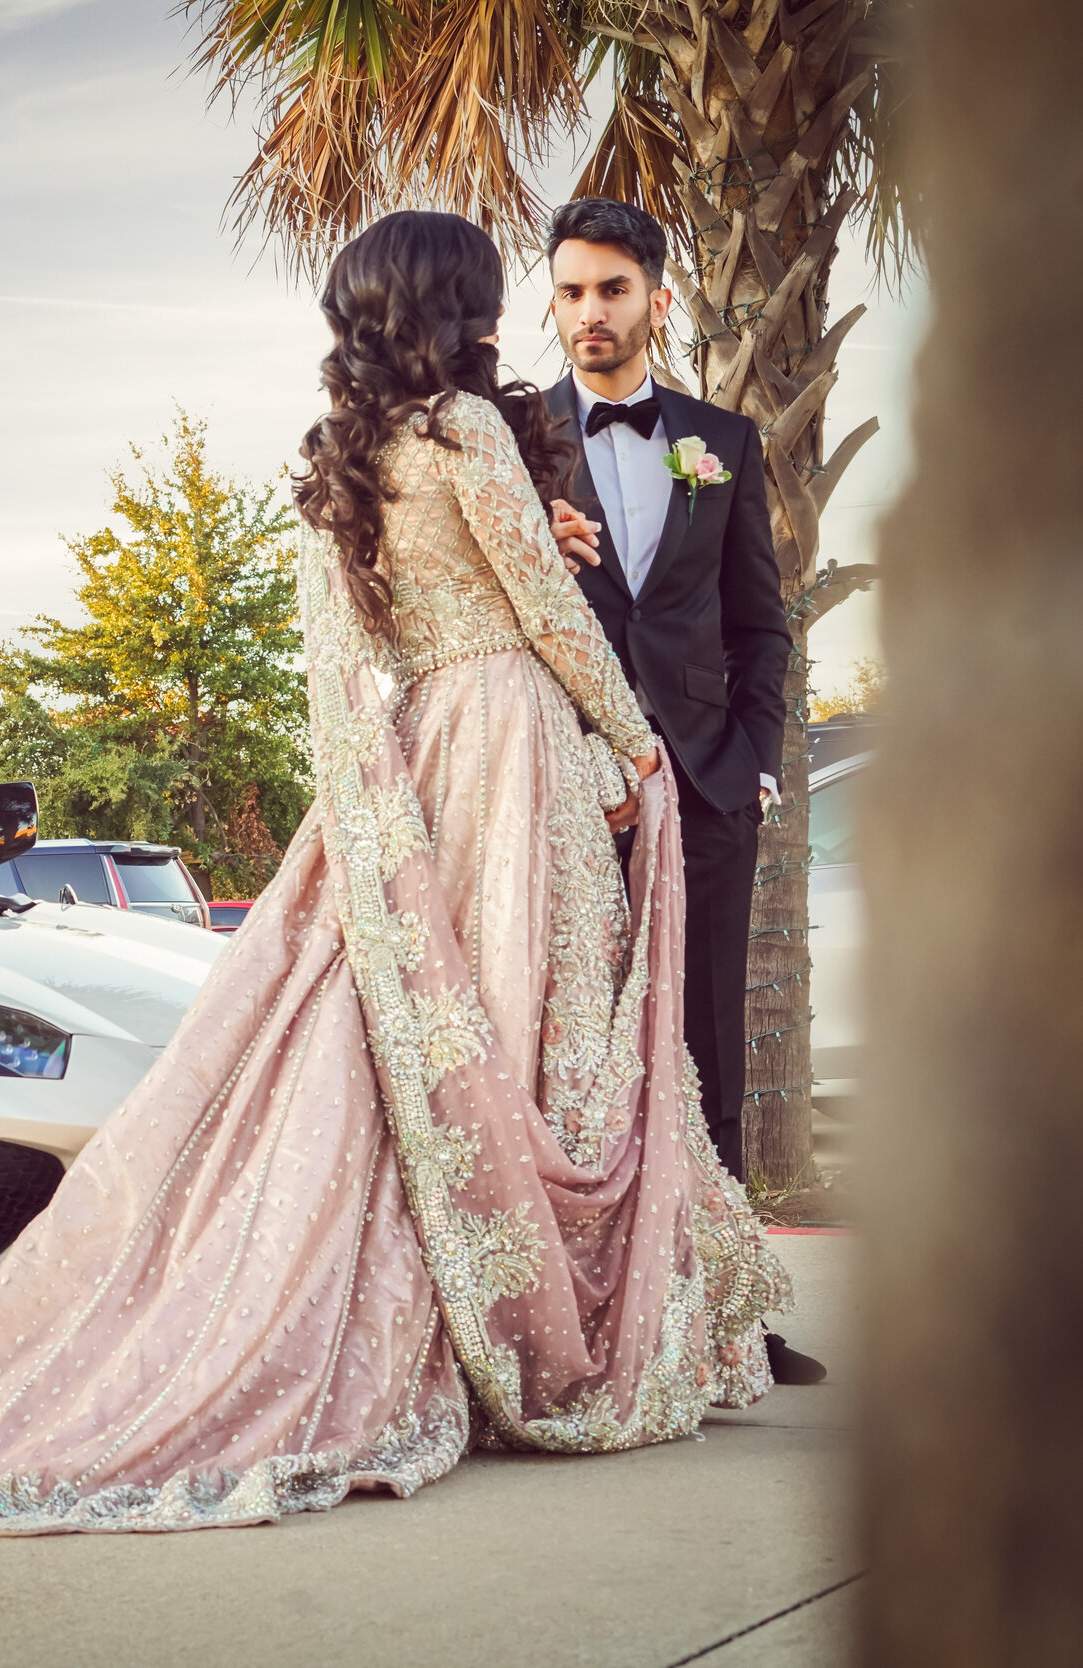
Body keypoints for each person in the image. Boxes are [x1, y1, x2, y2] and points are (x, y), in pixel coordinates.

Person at [0, 211, 789, 1534]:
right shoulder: (473, 430)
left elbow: (396, 630)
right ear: (453, 304)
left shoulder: (355, 455)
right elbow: (545, 618)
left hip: (424, 748)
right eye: (496, 293)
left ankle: (482, 1324)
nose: (516, 315)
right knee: (532, 1030)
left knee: (447, 1043)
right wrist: (632, 742)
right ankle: (541, 1332)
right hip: (511, 746)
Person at [539, 197, 823, 1387]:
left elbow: (762, 625)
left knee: (702, 1045)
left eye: (611, 290)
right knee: (569, 1047)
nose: (589, 315)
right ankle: (578, 1323)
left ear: (659, 296)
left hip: (703, 787)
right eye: (569, 292)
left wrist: (751, 759)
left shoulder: (720, 439)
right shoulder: (513, 440)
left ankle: (720, 1322)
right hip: (559, 787)